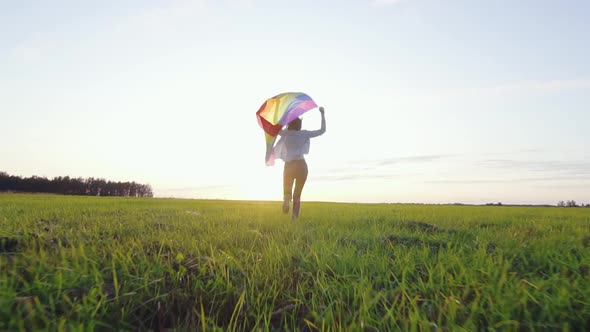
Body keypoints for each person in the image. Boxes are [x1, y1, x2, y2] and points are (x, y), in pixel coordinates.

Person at [273, 106, 326, 219]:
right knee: (297, 194)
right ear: (299, 124)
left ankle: (287, 200)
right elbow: (322, 130)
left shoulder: (285, 134)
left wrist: (282, 118)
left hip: (289, 165)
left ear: (289, 124)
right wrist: (322, 114)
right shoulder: (304, 134)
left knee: (287, 190)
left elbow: (274, 128)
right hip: (302, 165)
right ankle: (294, 219)